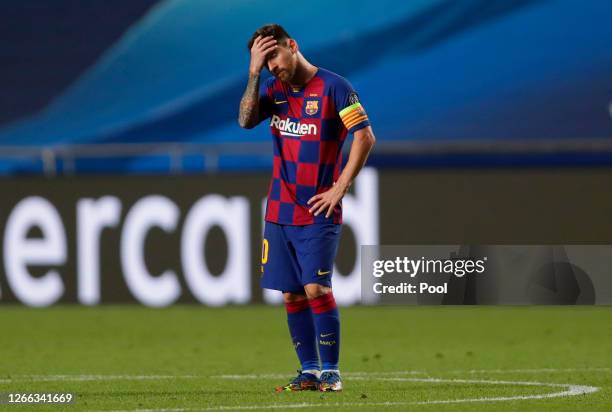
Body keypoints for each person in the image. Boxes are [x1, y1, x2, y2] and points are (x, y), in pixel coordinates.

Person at [238, 24, 376, 392]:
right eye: (262, 62)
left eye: (272, 56)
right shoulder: (273, 90)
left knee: (315, 287)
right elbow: (245, 120)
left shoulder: (335, 88)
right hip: (280, 210)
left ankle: (332, 371)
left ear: (292, 45)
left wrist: (340, 187)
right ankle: (309, 370)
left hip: (317, 209)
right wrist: (253, 74)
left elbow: (365, 136)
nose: (271, 67)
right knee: (292, 294)